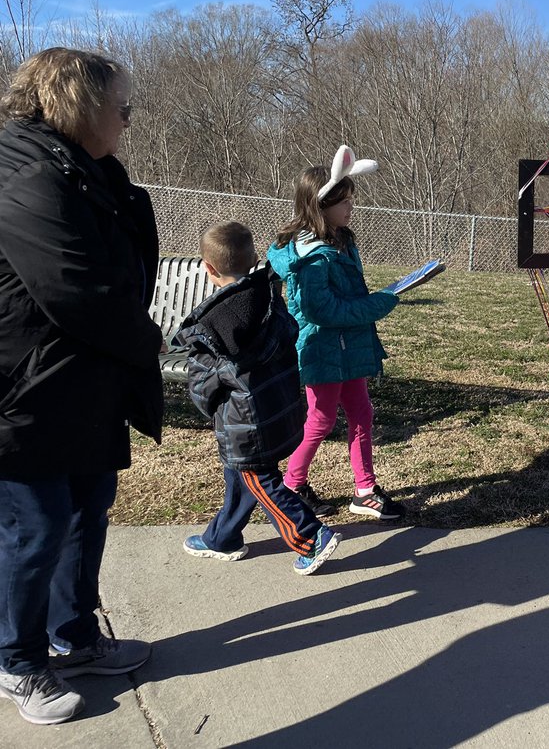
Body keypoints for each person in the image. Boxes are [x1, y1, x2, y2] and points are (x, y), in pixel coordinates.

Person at [0, 48, 161, 726]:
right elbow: (76, 288)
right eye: (119, 106)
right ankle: (18, 660)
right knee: (34, 527)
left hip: (83, 385)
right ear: (77, 104)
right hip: (24, 391)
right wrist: (147, 340)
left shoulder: (87, 170)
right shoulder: (27, 172)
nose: (127, 119)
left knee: (86, 511)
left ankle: (74, 636)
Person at [172, 221, 343, 574]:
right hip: (275, 410)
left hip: (244, 423)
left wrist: (207, 404)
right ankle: (223, 537)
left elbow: (203, 386)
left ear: (208, 268)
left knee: (260, 481)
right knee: (241, 474)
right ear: (252, 260)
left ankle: (311, 536)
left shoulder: (211, 329)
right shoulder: (268, 298)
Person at [267, 146, 406, 521]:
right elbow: (320, 310)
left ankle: (364, 490)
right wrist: (379, 304)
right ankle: (291, 486)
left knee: (362, 411)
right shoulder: (311, 256)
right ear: (319, 205)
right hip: (322, 349)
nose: (350, 209)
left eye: (350, 200)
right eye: (342, 202)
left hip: (349, 348)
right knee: (321, 420)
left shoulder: (341, 240)